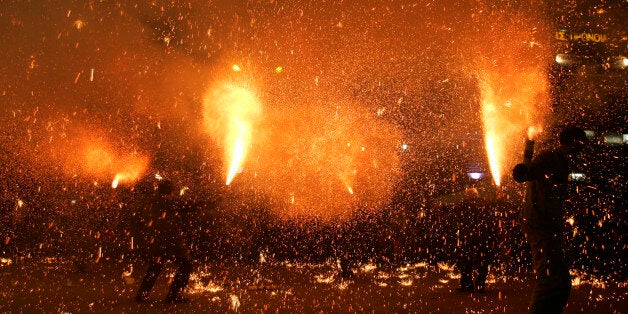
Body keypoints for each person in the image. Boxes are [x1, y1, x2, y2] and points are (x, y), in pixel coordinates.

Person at [512, 126, 587, 313]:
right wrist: (523, 168)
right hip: (540, 225)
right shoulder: (549, 158)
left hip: (548, 226)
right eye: (580, 145)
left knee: (561, 282)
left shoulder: (562, 162)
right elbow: (526, 174)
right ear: (572, 144)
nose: (582, 151)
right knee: (549, 280)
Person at [135, 179, 194, 303]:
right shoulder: (166, 201)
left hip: (157, 238)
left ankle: (142, 294)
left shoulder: (153, 201)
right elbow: (187, 206)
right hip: (171, 239)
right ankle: (174, 295)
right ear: (170, 190)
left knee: (156, 266)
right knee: (186, 264)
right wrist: (210, 203)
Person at [454, 188, 496, 293]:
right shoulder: (483, 204)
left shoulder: (464, 205)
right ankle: (479, 285)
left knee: (467, 263)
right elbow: (489, 221)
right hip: (480, 237)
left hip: (470, 238)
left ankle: (468, 285)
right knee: (481, 263)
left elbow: (458, 219)